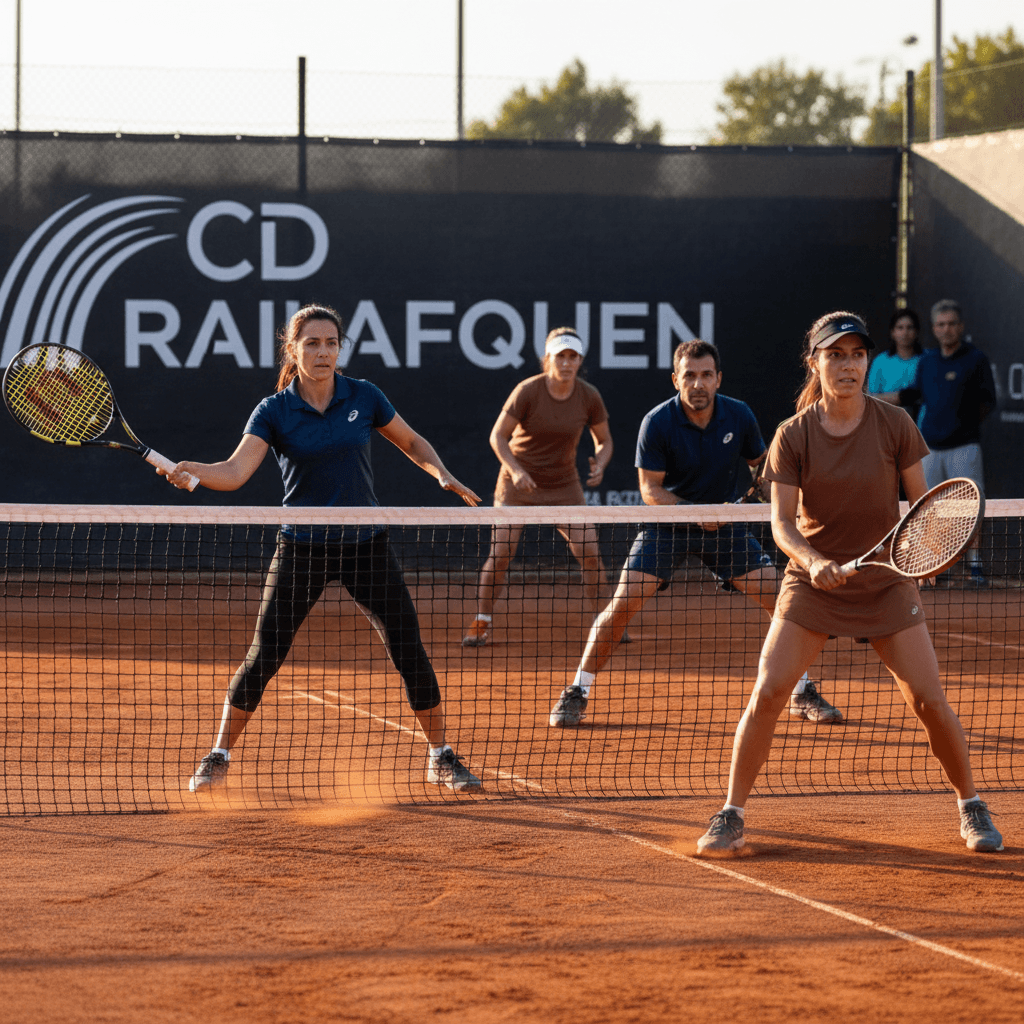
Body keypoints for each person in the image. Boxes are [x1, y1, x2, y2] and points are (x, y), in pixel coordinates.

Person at [696, 312, 1003, 857]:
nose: (848, 365)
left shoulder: (895, 426)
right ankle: (731, 812)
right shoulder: (793, 435)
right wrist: (813, 562)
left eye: (857, 354)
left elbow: (923, 510)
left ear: (867, 362)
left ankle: (971, 804)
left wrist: (926, 554)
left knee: (929, 700)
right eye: (835, 355)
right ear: (815, 363)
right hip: (812, 585)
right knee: (768, 692)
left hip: (884, 583)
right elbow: (782, 524)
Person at [160, 304, 485, 793]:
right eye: (311, 343)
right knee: (264, 655)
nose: (323, 352)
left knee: (408, 650)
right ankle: (217, 755)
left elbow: (412, 442)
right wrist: (194, 469)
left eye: (331, 342)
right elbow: (234, 472)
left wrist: (441, 472)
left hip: (365, 545)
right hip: (302, 547)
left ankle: (440, 756)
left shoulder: (364, 396)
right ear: (292, 350)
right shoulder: (273, 411)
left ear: (340, 348)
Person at [548, 339, 842, 729]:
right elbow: (650, 490)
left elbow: (764, 469)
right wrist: (693, 512)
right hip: (667, 527)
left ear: (718, 379)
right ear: (676, 380)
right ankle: (577, 690)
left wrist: (785, 500)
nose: (698, 383)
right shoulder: (657, 422)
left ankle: (800, 690)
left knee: (782, 598)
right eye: (690, 375)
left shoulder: (739, 416)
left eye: (706, 375)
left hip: (725, 528)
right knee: (622, 606)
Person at [462, 327, 619, 647]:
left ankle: (607, 622)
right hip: (517, 485)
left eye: (572, 356)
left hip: (564, 485)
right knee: (502, 553)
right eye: (560, 356)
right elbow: (498, 437)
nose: (566, 362)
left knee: (590, 552)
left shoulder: (589, 396)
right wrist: (516, 471)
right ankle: (482, 619)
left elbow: (604, 441)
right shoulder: (528, 391)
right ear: (548, 359)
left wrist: (600, 462)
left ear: (580, 361)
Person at [897, 300, 995, 587]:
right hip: (929, 448)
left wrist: (962, 427)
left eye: (952, 323)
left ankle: (975, 567)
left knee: (967, 508)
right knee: (929, 509)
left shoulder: (976, 359)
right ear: (934, 329)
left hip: (964, 448)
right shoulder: (927, 361)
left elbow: (987, 402)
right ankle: (937, 565)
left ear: (961, 327)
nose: (947, 329)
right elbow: (913, 395)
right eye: (941, 324)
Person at [867, 308, 923, 402]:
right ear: (892, 332)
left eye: (910, 327)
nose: (905, 333)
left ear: (917, 331)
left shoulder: (927, 359)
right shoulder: (881, 361)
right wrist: (901, 397)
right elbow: (871, 399)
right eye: (900, 328)